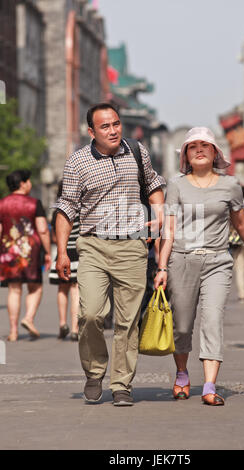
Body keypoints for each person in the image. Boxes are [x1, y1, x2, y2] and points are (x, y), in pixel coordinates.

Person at [54, 102, 165, 406]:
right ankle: (94, 371)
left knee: (128, 322)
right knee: (90, 314)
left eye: (116, 124)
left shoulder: (136, 151)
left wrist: (159, 213)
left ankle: (121, 384)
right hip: (93, 246)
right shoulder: (77, 162)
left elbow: (153, 183)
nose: (114, 130)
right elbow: (66, 209)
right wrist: (62, 251)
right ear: (91, 131)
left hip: (132, 246)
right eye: (105, 126)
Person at [154, 127, 244, 406]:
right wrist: (162, 267)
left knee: (212, 320)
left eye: (205, 145)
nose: (199, 150)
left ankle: (210, 386)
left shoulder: (230, 185)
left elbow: (240, 222)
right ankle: (181, 373)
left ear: (215, 153)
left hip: (217, 260)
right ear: (186, 156)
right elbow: (170, 228)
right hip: (181, 259)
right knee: (182, 325)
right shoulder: (176, 185)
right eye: (193, 147)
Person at [0, 169, 51, 341]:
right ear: (22, 183)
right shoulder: (34, 203)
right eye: (28, 181)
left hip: (9, 251)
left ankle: (13, 331)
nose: (30, 184)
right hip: (31, 251)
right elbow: (43, 229)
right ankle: (28, 318)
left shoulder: (2, 203)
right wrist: (48, 252)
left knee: (14, 290)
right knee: (35, 287)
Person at [49, 181, 79, 341]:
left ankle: (62, 323)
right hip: (78, 253)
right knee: (76, 289)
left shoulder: (58, 211)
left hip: (62, 252)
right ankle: (75, 328)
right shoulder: (81, 208)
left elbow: (55, 236)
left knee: (62, 289)